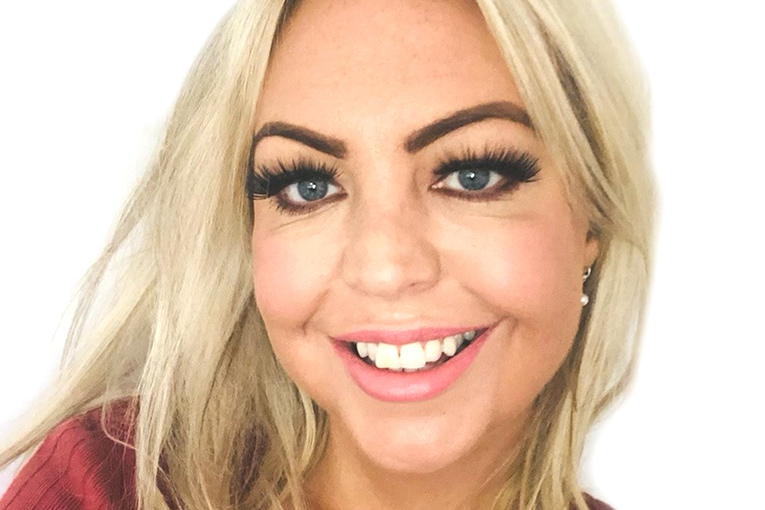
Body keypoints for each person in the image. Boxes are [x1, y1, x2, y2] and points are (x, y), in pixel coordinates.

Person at [0, 0, 654, 508]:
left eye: (472, 175)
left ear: (590, 217)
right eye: (307, 186)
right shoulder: (110, 485)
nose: (385, 267)